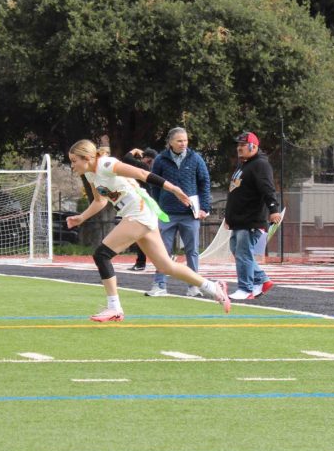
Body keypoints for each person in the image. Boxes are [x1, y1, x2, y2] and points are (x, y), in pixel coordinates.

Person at [66, 139, 229, 322]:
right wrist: (81, 217)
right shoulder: (91, 174)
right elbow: (100, 201)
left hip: (139, 212)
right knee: (166, 266)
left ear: (87, 158)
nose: (72, 165)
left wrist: (174, 189)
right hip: (137, 213)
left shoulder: (106, 165)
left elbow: (143, 174)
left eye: (74, 161)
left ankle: (114, 307)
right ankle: (213, 287)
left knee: (101, 255)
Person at [146, 127, 211, 298]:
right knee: (162, 250)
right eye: (179, 140)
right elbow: (154, 184)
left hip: (190, 214)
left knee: (192, 251)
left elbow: (204, 183)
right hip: (166, 213)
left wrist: (204, 207)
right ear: (170, 142)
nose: (183, 144)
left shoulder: (196, 159)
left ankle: (194, 286)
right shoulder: (160, 160)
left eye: (185, 140)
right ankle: (159, 285)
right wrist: (157, 205)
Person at [224, 131, 281, 300]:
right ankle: (262, 280)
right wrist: (229, 217)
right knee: (237, 250)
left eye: (243, 145)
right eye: (238, 145)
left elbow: (268, 189)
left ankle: (245, 288)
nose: (239, 148)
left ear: (253, 146)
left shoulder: (260, 165)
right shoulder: (244, 165)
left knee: (243, 254)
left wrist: (274, 209)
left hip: (250, 220)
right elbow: (236, 193)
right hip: (239, 220)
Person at [124, 147, 158, 271]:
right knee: (150, 233)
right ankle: (164, 257)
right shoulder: (156, 168)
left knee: (142, 234)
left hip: (145, 203)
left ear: (147, 158)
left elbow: (127, 158)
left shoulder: (144, 167)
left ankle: (141, 262)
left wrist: (134, 150)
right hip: (154, 202)